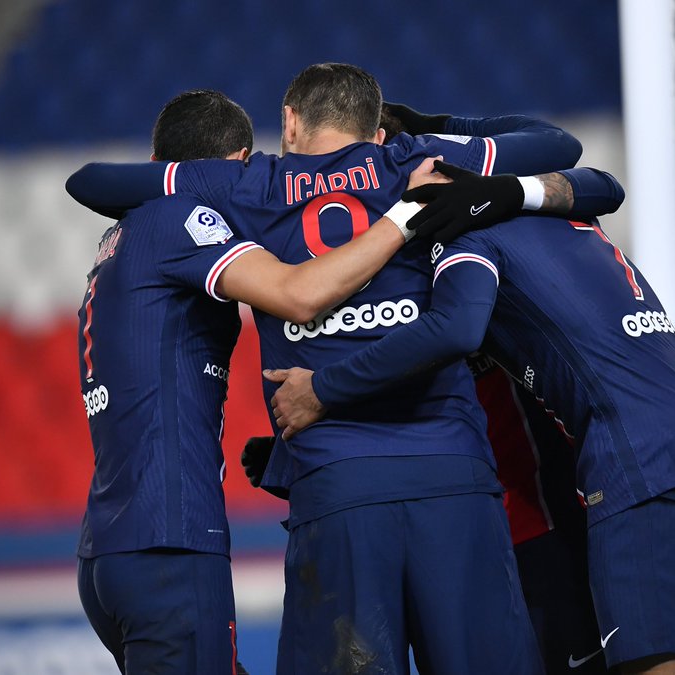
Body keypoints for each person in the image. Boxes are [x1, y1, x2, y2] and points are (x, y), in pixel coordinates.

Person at [66, 62, 622, 675]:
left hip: (338, 484)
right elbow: (559, 145)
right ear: (376, 129)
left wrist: (197, 175)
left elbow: (93, 182)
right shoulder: (413, 159)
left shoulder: (250, 182)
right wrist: (436, 130)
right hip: (452, 471)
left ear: (290, 122)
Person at [266, 162, 675, 675]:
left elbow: (452, 331)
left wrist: (324, 390)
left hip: (641, 468)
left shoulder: (467, 236)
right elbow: (599, 178)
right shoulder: (567, 212)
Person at [74, 88, 454, 675]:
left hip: (110, 547)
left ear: (158, 166)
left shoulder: (118, 243)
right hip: (171, 541)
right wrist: (405, 216)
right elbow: (297, 295)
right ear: (241, 162)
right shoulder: (181, 222)